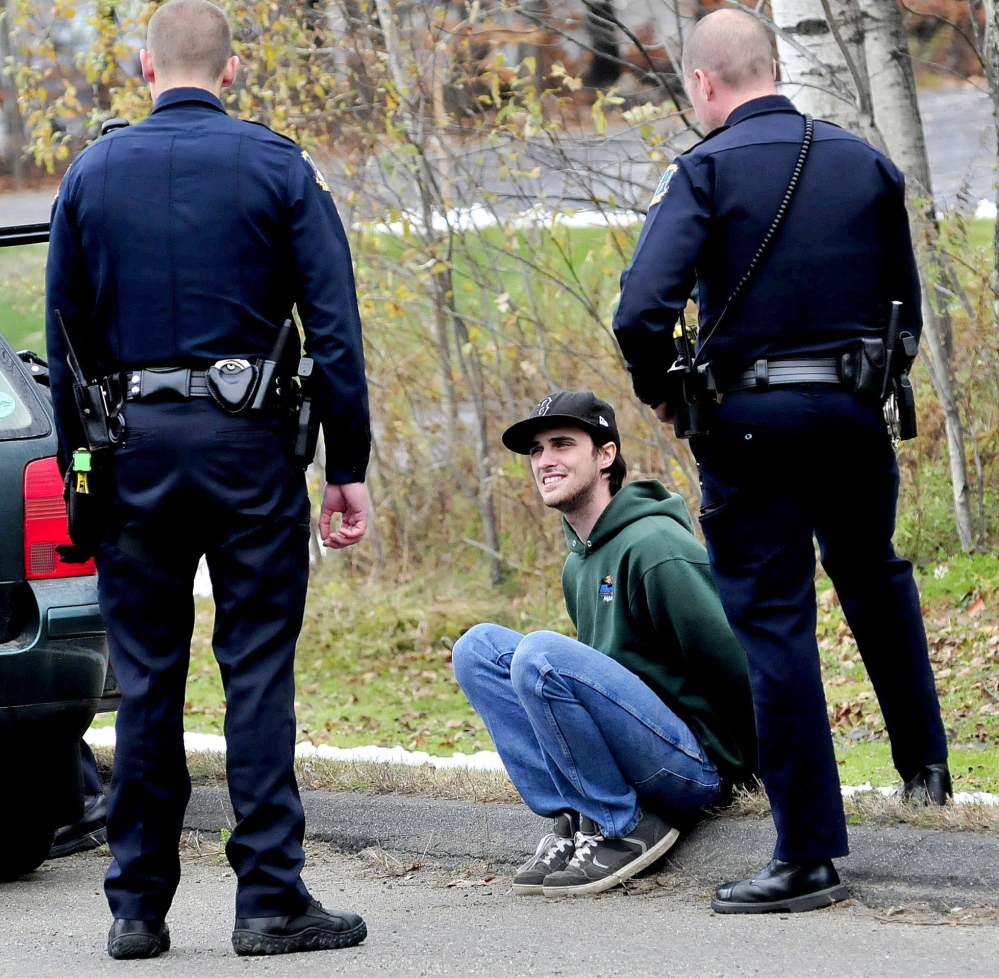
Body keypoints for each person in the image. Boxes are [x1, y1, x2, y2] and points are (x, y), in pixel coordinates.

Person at [45, 0, 369, 958]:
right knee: (257, 670)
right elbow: (335, 332)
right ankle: (270, 899)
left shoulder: (92, 173)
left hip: (131, 448)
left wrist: (80, 474)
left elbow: (65, 345)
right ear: (231, 75)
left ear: (146, 69)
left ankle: (136, 909)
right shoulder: (278, 167)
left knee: (146, 681)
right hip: (250, 448)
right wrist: (343, 466)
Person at [613, 8, 951, 915]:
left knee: (772, 622)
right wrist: (862, 388)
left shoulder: (704, 170)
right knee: (875, 577)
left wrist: (660, 388)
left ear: (701, 82)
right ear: (772, 66)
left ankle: (806, 855)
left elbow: (640, 310)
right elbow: (902, 311)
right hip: (850, 412)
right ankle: (925, 770)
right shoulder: (861, 160)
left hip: (748, 426)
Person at [452, 390, 757, 898]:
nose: (545, 461)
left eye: (563, 444)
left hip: (696, 768)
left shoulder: (656, 547)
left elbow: (735, 663)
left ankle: (624, 823)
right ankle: (577, 816)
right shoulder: (580, 563)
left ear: (606, 455)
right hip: (637, 750)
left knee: (541, 654)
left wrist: (756, 772)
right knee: (477, 648)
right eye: (536, 451)